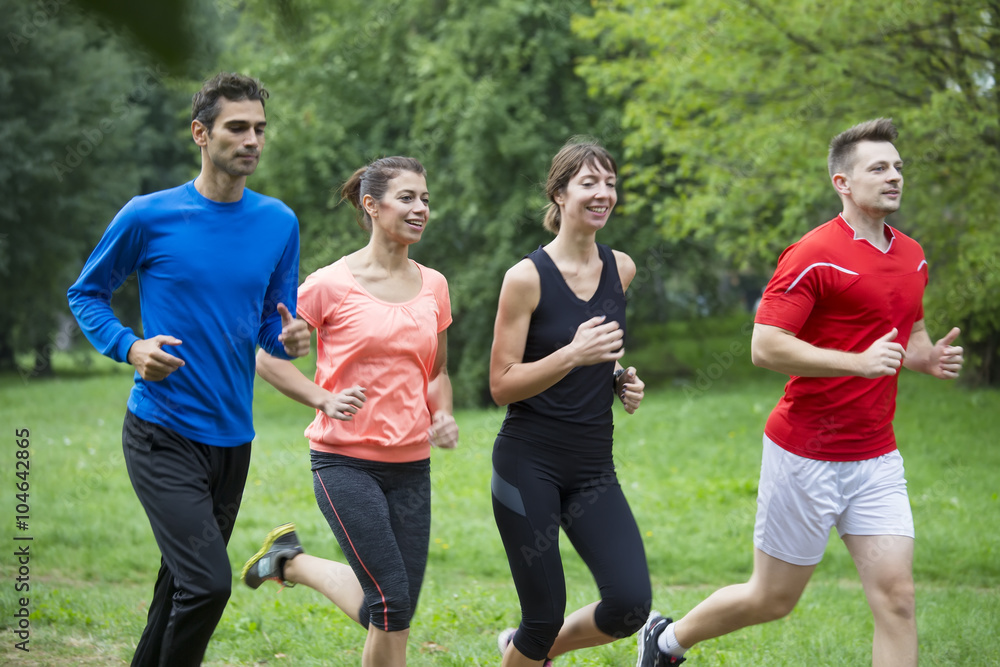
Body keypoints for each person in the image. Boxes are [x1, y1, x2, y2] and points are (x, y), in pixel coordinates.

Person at [637, 118, 965, 667]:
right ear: (842, 182)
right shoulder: (813, 253)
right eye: (879, 168)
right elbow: (765, 346)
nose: (894, 178)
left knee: (899, 599)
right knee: (772, 599)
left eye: (898, 167)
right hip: (804, 454)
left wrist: (925, 357)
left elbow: (909, 331)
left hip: (876, 458)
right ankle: (666, 641)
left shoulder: (912, 255)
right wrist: (856, 363)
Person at [66, 72, 310, 666]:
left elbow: (268, 330)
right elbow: (86, 294)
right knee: (208, 583)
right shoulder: (149, 216)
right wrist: (130, 347)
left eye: (259, 128)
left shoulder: (278, 222)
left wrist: (289, 337)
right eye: (237, 127)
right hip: (161, 432)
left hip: (233, 439)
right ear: (201, 133)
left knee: (180, 584)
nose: (252, 139)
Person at [240, 156, 457, 667]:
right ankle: (291, 565)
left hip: (411, 468)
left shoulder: (435, 285)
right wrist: (323, 398)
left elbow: (437, 372)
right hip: (344, 463)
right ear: (371, 205)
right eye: (407, 197)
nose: (421, 208)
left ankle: (287, 562)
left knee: (392, 614)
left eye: (425, 198)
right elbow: (266, 356)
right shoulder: (328, 284)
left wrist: (441, 412)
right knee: (391, 604)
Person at [490, 138, 651, 666]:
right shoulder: (526, 278)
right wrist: (573, 353)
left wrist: (619, 378)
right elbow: (501, 384)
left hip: (591, 465)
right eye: (589, 183)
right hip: (527, 463)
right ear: (559, 194)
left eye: (609, 183)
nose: (603, 193)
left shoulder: (620, 268)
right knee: (542, 617)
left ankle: (522, 652)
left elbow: (601, 356)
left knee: (630, 606)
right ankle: (528, 647)